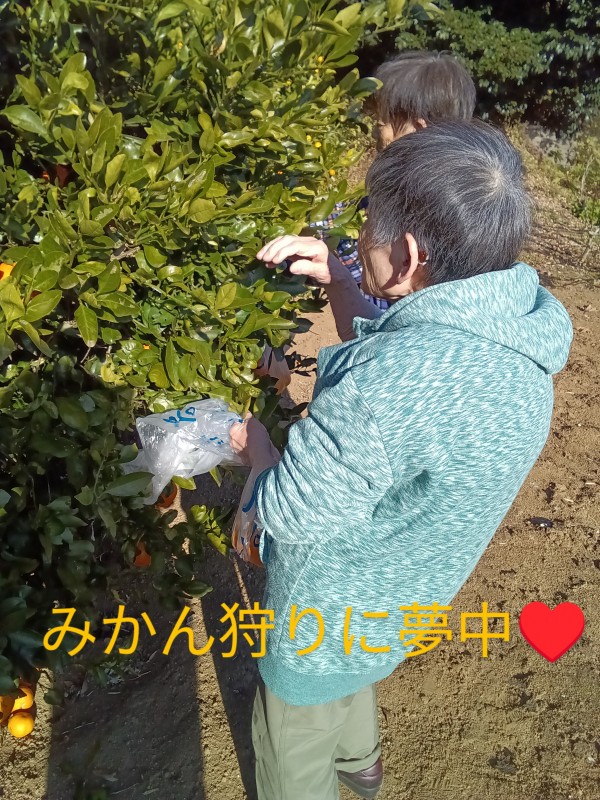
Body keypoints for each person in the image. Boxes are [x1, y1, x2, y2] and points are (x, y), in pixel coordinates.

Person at [230, 120, 573, 800]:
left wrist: (256, 447)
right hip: (404, 591)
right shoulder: (518, 331)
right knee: (357, 668)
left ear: (410, 252)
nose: (359, 240)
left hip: (323, 613)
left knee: (297, 729)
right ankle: (361, 763)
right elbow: (407, 345)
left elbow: (291, 511)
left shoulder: (387, 390)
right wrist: (340, 278)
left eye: (367, 227)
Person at [311, 50, 476, 312]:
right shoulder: (471, 192)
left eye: (383, 123)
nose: (376, 133)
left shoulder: (416, 204)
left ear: (418, 129)